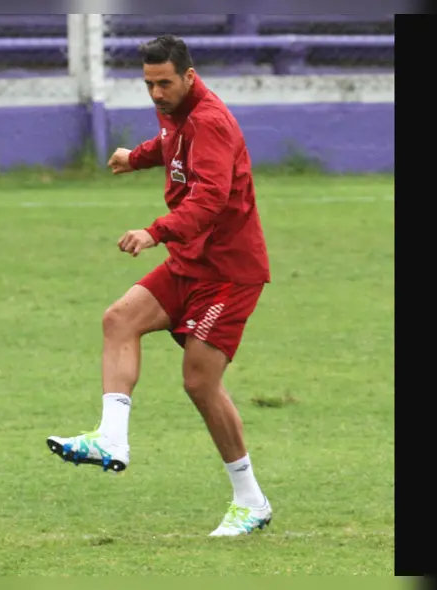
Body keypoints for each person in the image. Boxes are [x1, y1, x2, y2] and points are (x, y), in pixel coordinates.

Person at [45, 35, 274, 537]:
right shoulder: (177, 109)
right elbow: (174, 147)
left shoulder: (210, 121)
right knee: (119, 319)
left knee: (199, 382)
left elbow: (211, 199)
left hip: (229, 272)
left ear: (189, 76)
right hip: (191, 260)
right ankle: (111, 438)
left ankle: (250, 500)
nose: (155, 93)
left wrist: (155, 231)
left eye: (164, 82)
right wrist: (139, 156)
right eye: (148, 83)